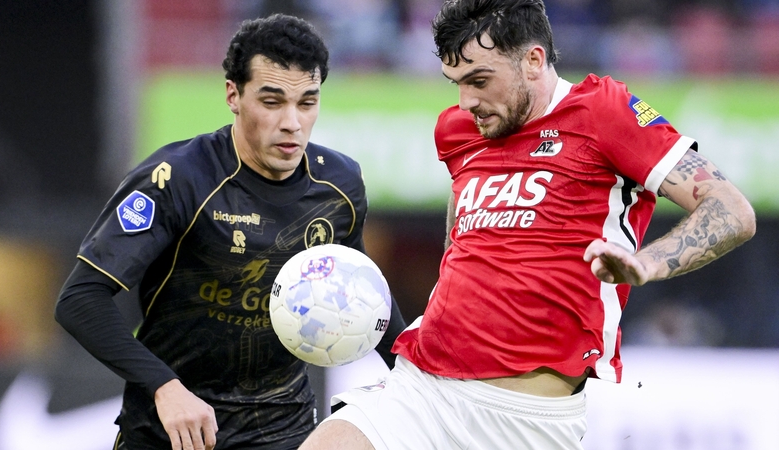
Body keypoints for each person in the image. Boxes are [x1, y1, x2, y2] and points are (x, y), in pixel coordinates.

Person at [300, 0, 756, 449]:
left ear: (533, 61)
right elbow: (460, 238)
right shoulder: (460, 129)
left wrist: (646, 264)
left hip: (525, 421)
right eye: (457, 83)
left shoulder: (603, 110)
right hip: (419, 389)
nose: (466, 101)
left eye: (479, 80)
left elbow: (731, 210)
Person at [54, 14, 406, 450]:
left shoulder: (340, 183)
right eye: (272, 101)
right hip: (172, 433)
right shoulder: (178, 178)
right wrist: (165, 387)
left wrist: (415, 382)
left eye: (307, 102)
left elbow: (368, 296)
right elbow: (80, 300)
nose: (292, 122)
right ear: (233, 95)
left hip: (283, 430)